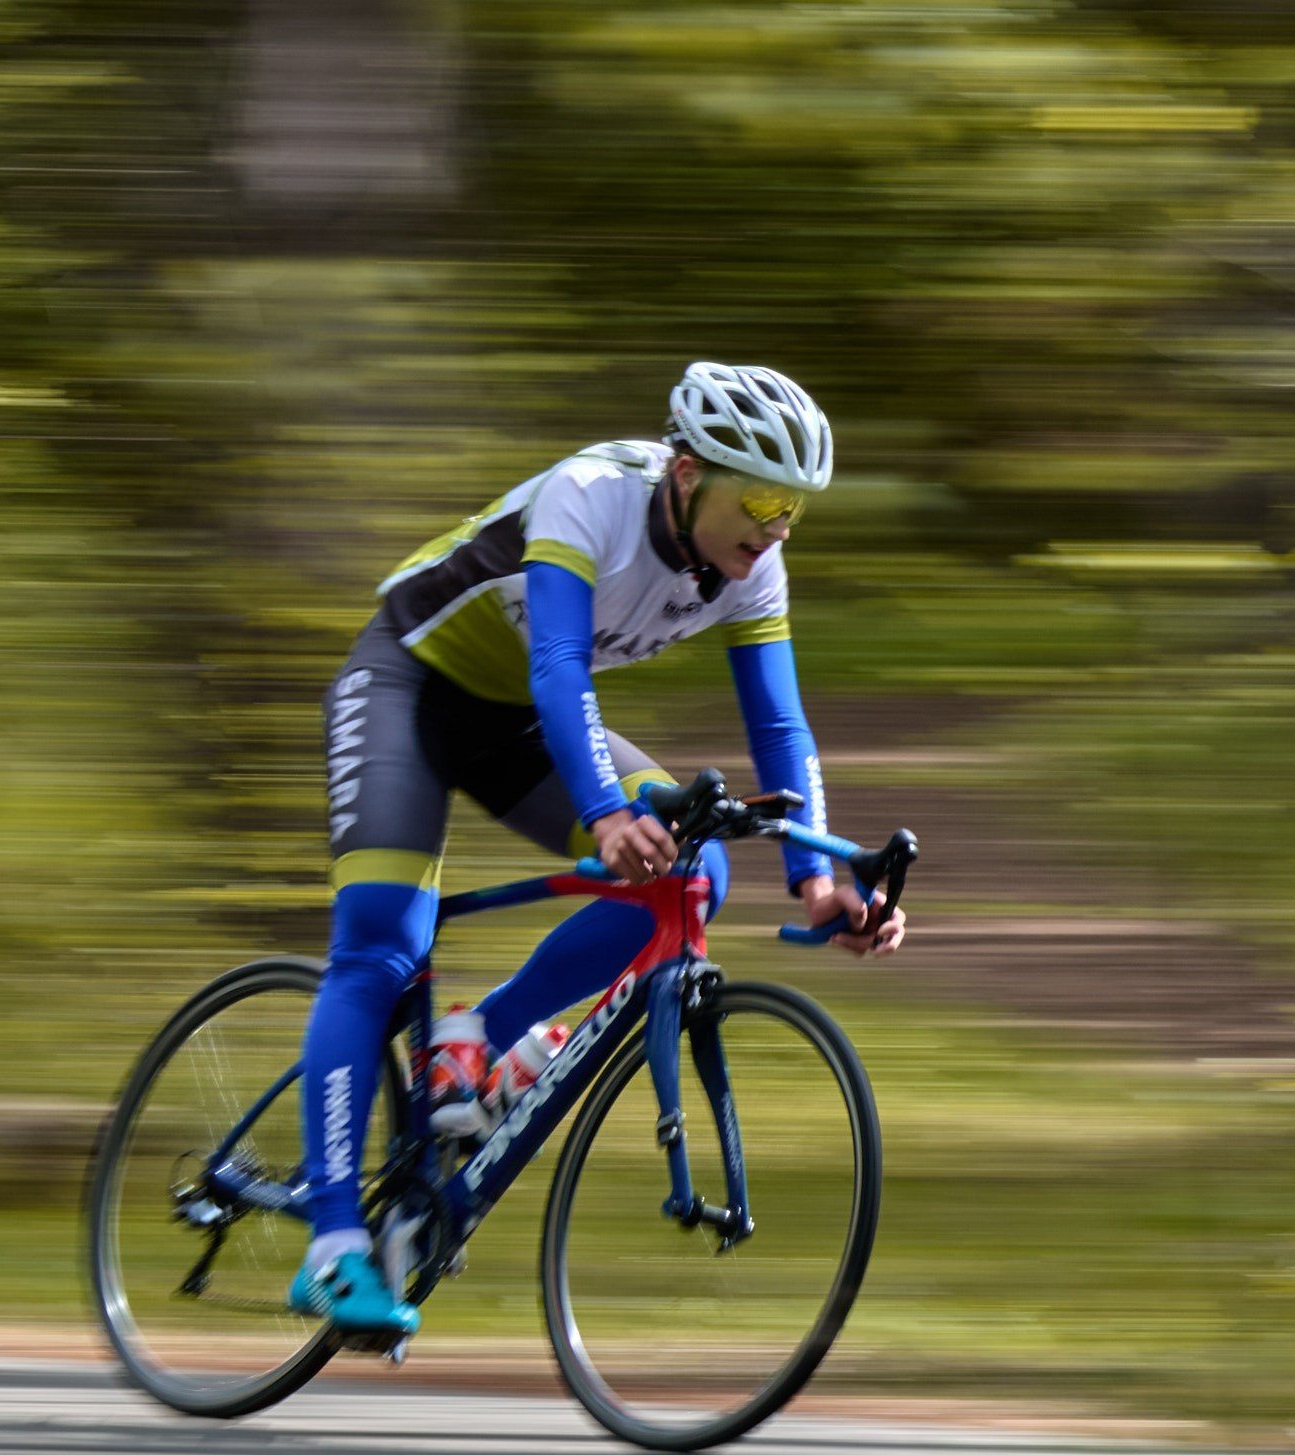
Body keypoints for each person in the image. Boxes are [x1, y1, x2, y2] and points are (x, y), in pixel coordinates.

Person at [291, 362, 905, 1335]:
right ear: (687, 471)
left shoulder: (754, 567)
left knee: (694, 867)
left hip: (522, 724)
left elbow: (782, 731)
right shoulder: (590, 499)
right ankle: (331, 1244)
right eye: (759, 497)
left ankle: (475, 1048)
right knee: (380, 947)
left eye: (793, 506)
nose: (777, 525)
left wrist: (821, 883)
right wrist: (606, 813)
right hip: (408, 689)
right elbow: (558, 665)